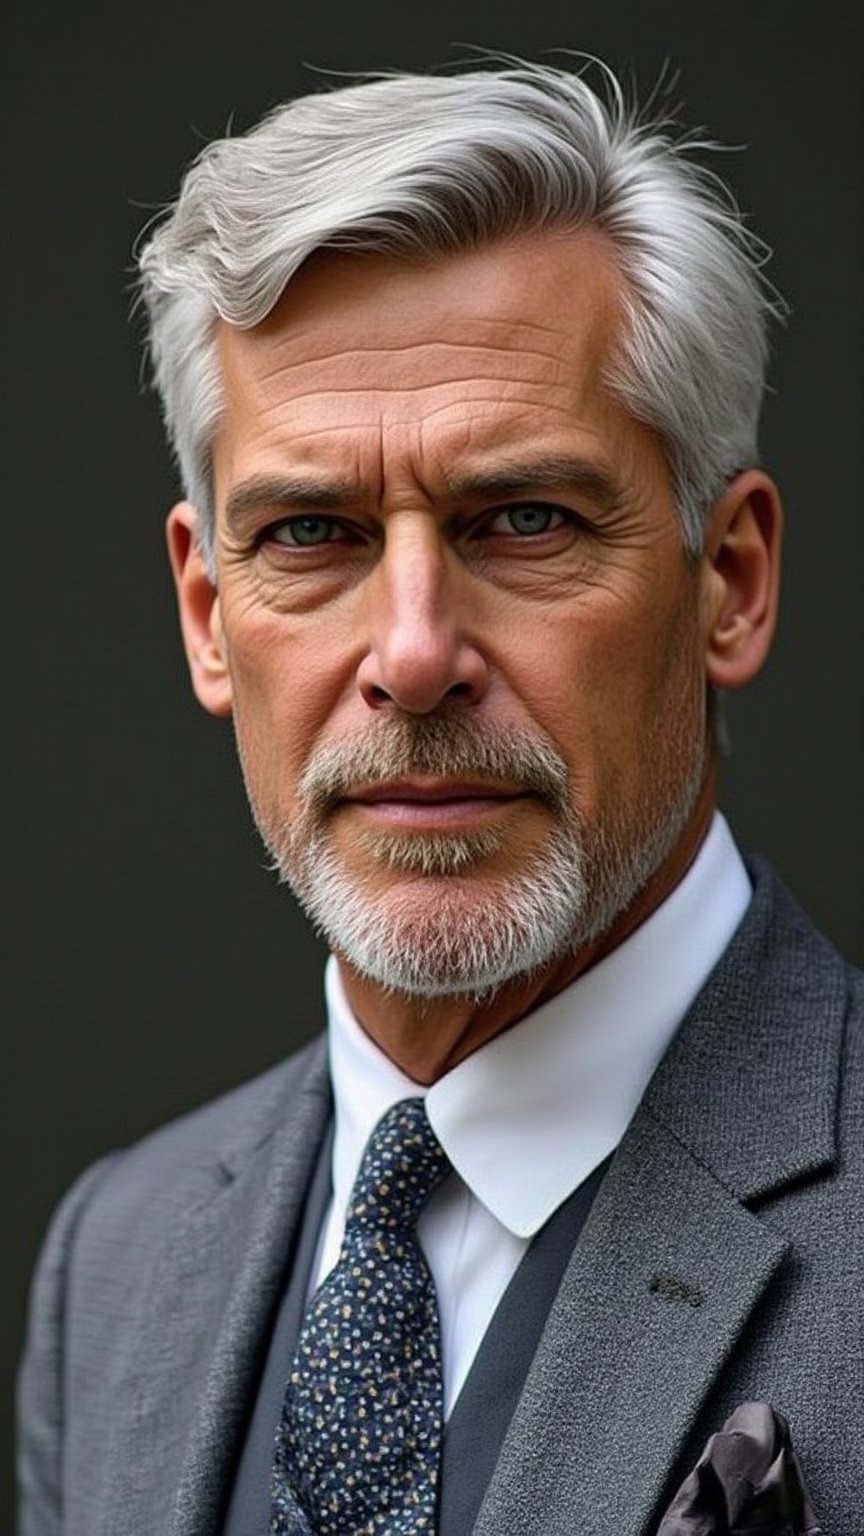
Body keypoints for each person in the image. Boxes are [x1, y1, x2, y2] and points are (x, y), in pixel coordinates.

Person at [17, 59, 861, 1536]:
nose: (411, 656)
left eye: (523, 518)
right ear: (209, 616)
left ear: (729, 580)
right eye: (312, 532)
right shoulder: (116, 1263)